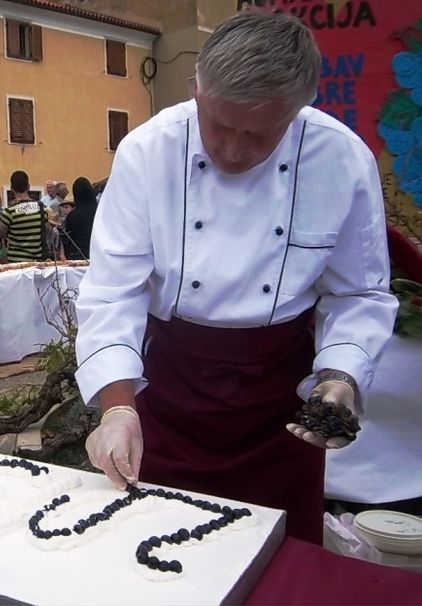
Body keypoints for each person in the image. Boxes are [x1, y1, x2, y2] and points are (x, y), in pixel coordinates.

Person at [76, 10, 398, 545]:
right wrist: (116, 408)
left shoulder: (342, 159)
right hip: (174, 391)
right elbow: (114, 291)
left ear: (299, 111)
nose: (232, 151)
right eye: (219, 127)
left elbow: (359, 292)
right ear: (195, 90)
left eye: (260, 134)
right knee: (160, 548)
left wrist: (338, 379)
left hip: (282, 401)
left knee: (282, 557)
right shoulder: (147, 151)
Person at [0, 170, 48, 263]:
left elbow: (2, 234)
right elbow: (45, 230)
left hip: (16, 262)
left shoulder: (9, 212)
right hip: (37, 262)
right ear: (28, 187)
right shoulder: (42, 208)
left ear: (12, 188)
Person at [61, 176, 98, 260]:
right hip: (98, 254)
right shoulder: (100, 212)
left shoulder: (73, 216)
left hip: (79, 257)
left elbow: (69, 240)